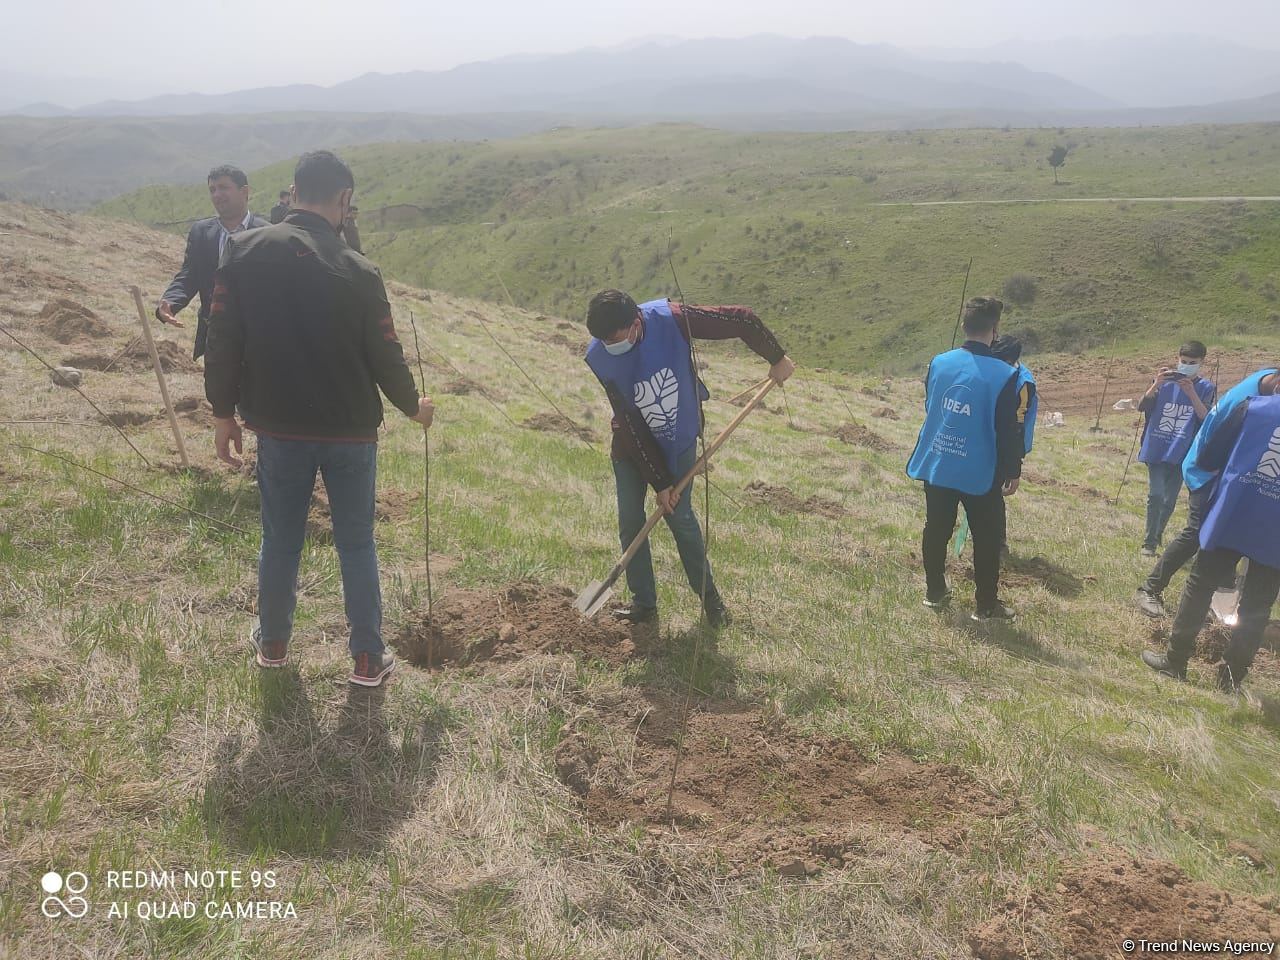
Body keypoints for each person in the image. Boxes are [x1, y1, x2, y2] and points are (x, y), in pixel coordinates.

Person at [204, 150, 434, 688]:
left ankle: (275, 645)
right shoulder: (359, 270)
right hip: (351, 431)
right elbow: (385, 354)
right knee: (356, 543)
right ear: (345, 200)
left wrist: (222, 413)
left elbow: (222, 341)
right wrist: (414, 407)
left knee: (280, 539)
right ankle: (367, 660)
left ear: (293, 190)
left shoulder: (242, 250)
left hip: (278, 427)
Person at [584, 290, 795, 628]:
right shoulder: (600, 357)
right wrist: (660, 481)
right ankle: (644, 605)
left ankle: (712, 603)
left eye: (615, 338)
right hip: (631, 447)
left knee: (681, 520)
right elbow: (628, 421)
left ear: (635, 322)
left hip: (678, 438)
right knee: (630, 520)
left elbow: (739, 318)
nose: (610, 345)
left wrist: (777, 357)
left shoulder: (672, 319)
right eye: (603, 340)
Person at [1141, 381, 1280, 692]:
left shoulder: (1252, 407)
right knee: (1258, 603)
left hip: (1234, 511)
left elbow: (1209, 457)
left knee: (1201, 583)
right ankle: (1230, 679)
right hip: (1276, 531)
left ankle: (1176, 661)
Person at [906, 296, 1025, 620]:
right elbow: (1008, 429)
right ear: (995, 330)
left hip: (938, 462)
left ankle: (934, 592)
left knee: (936, 529)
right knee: (986, 538)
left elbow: (932, 405)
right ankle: (986, 605)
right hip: (979, 471)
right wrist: (1013, 470)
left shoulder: (939, 362)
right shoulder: (1005, 375)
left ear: (964, 326)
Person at [1135, 364, 1279, 617]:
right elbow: (1216, 441)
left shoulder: (1264, 379)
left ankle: (1214, 606)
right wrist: (1213, 472)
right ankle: (1149, 588)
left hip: (1226, 472)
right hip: (1207, 468)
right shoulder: (1248, 400)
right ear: (1277, 382)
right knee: (1198, 532)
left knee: (1225, 536)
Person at [156, 164, 268, 360]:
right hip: (214, 335)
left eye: (224, 188)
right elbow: (189, 274)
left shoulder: (266, 234)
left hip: (257, 336)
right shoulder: (201, 232)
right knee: (217, 390)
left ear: (245, 192)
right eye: (212, 189)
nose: (217, 194)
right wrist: (171, 302)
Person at [1135, 342, 1215, 558]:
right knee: (1156, 495)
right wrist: (1155, 385)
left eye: (1192, 363)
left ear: (1201, 363)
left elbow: (1205, 418)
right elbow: (1142, 406)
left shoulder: (1206, 388)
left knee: (1169, 500)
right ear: (1177, 359)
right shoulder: (1164, 383)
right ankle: (1149, 542)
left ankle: (1157, 534)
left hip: (1183, 451)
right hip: (1156, 447)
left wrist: (1191, 394)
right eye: (1184, 362)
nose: (1187, 366)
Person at [990, 334, 1038, 559]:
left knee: (992, 494)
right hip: (984, 438)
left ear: (1010, 361)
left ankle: (998, 544)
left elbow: (1016, 428)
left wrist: (1013, 468)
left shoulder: (1022, 384)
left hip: (1004, 445)